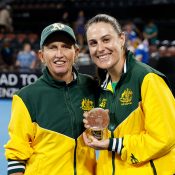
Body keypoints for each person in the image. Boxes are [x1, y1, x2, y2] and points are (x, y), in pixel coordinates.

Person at [83, 14, 175, 175]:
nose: (100, 48)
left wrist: (114, 144)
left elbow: (165, 138)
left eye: (106, 40)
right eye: (93, 43)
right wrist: (95, 131)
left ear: (122, 39)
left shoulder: (147, 78)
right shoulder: (103, 87)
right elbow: (109, 139)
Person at [4, 22, 98, 175]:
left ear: (76, 52)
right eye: (52, 47)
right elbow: (16, 153)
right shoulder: (26, 97)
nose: (59, 54)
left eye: (66, 46)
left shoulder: (91, 86)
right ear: (41, 55)